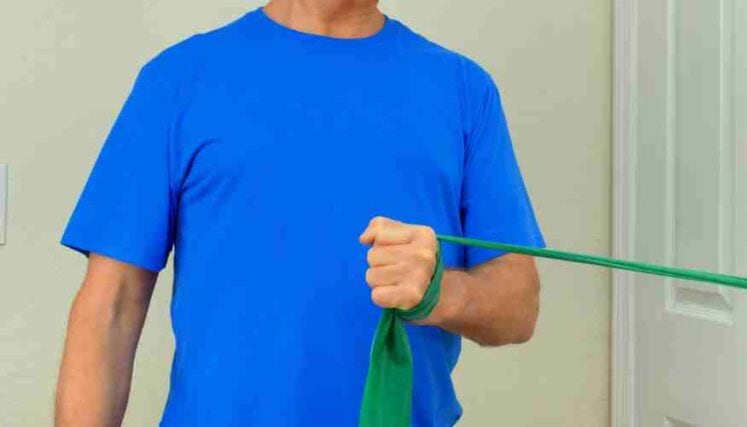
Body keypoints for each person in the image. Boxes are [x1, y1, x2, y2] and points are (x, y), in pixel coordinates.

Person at [53, 0, 545, 425]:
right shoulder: (179, 80)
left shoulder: (463, 90)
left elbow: (518, 307)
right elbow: (110, 307)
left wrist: (441, 292)